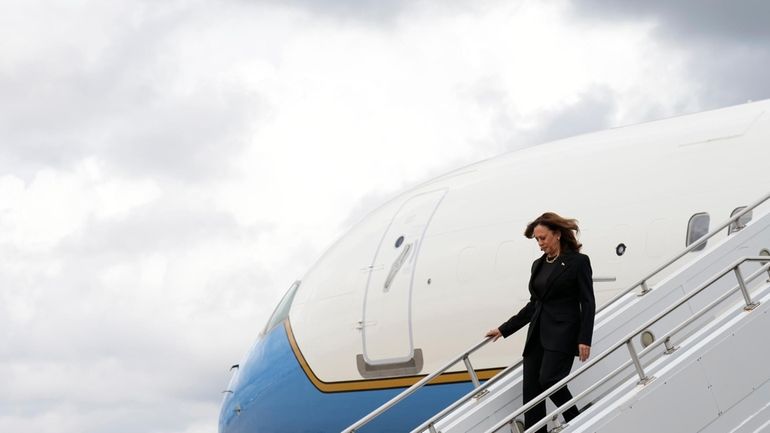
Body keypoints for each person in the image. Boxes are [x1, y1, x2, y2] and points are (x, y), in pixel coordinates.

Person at [486, 212, 595, 433]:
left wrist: (585, 338)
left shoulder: (577, 262)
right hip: (537, 334)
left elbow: (588, 302)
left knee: (549, 379)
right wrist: (504, 329)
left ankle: (576, 417)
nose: (539, 243)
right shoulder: (538, 265)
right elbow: (534, 305)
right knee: (532, 393)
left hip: (563, 333)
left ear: (557, 234)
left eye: (542, 238)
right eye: (536, 239)